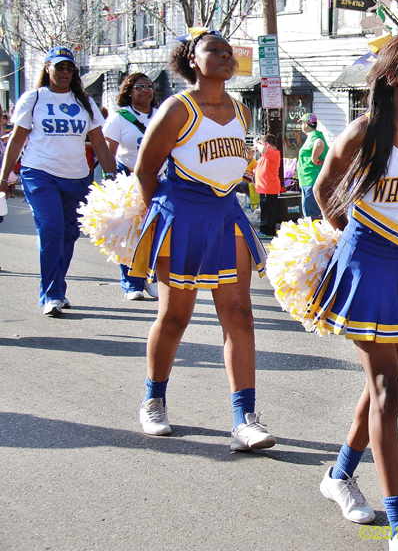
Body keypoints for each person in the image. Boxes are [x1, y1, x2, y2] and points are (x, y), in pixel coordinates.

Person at [307, 32, 398, 551]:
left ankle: (339, 475)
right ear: (393, 77)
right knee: (388, 389)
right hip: (367, 261)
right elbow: (324, 188)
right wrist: (354, 239)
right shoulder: (366, 131)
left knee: (381, 386)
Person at [129, 29, 275, 452]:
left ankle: (244, 420)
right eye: (215, 50)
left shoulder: (241, 110)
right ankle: (154, 400)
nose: (226, 56)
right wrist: (164, 218)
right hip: (183, 217)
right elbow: (145, 170)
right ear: (193, 59)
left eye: (229, 51)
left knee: (240, 314)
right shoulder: (178, 108)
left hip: (227, 216)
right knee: (175, 315)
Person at [0, 46, 116, 317]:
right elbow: (17, 139)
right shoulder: (34, 98)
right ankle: (51, 294)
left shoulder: (84, 102)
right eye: (59, 66)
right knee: (51, 230)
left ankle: (56, 287)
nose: (65, 72)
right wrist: (4, 177)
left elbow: (99, 142)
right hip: (40, 173)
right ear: (47, 68)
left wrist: (111, 176)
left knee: (69, 234)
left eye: (69, 67)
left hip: (77, 176)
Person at [103, 72, 160, 301]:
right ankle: (131, 282)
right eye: (140, 86)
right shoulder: (119, 118)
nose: (145, 90)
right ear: (129, 91)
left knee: (155, 231)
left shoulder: (162, 115)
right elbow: (108, 151)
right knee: (130, 232)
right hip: (129, 178)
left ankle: (150, 278)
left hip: (159, 179)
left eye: (149, 86)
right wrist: (109, 179)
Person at [297, 112, 328, 220]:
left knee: (311, 215)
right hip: (310, 180)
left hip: (311, 179)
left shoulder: (314, 135)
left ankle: (315, 230)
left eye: (302, 123)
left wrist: (314, 158)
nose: (301, 126)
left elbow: (319, 143)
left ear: (306, 124)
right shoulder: (314, 135)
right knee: (312, 213)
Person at [254, 134, 281, 237]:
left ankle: (266, 231)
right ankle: (269, 230)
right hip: (266, 187)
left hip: (268, 187)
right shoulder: (268, 155)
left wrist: (257, 144)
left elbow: (263, 150)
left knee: (267, 211)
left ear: (267, 144)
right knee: (267, 209)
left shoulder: (274, 153)